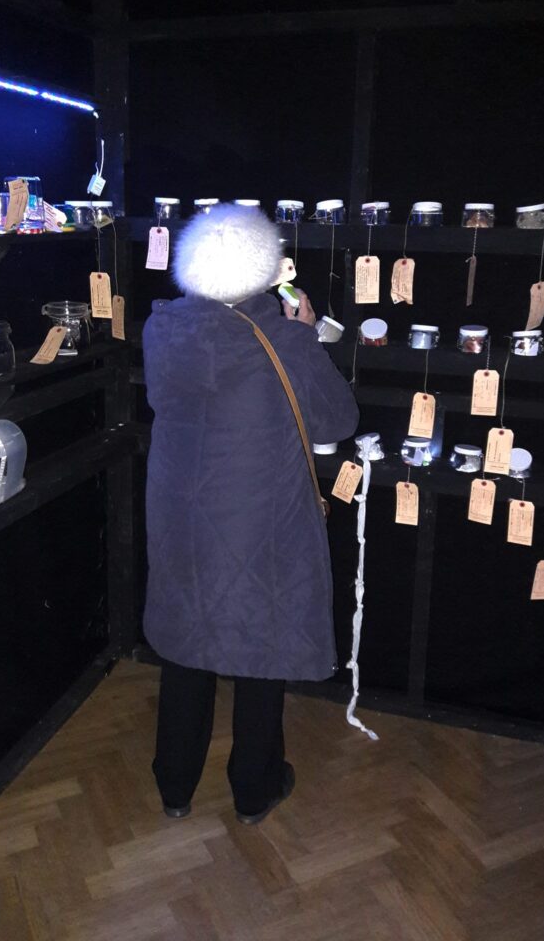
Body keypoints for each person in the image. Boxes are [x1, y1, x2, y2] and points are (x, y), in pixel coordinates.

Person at [142, 203, 359, 824]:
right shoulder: (282, 339)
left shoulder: (163, 330)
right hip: (261, 518)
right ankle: (253, 789)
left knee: (187, 640)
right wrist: (306, 335)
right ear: (266, 268)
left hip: (181, 514)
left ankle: (175, 786)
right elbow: (337, 421)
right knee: (262, 644)